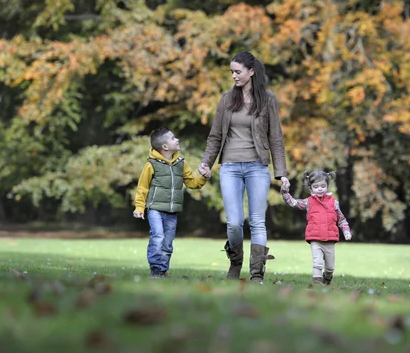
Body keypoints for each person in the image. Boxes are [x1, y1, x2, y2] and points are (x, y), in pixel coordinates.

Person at [199, 51, 290, 283]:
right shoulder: (226, 100)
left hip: (257, 167)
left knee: (257, 221)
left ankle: (257, 273)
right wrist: (206, 163)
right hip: (229, 167)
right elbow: (215, 136)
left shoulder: (268, 100)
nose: (233, 76)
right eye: (231, 72)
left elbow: (276, 138)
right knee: (234, 222)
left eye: (237, 71)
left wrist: (282, 174)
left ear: (251, 72)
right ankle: (235, 263)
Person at [134, 127, 209, 278]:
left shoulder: (181, 163)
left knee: (168, 243)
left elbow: (192, 183)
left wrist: (204, 177)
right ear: (165, 147)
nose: (177, 140)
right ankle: (155, 269)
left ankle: (163, 270)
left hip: (172, 211)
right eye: (173, 138)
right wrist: (139, 207)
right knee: (158, 236)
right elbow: (142, 187)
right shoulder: (151, 164)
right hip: (155, 209)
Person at [280, 170, 352, 285]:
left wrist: (346, 231)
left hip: (330, 240)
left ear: (327, 186)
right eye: (316, 186)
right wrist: (285, 192)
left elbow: (341, 219)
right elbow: (293, 203)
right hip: (315, 239)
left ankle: (327, 278)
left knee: (330, 267)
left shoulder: (334, 203)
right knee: (317, 262)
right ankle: (317, 281)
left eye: (323, 186)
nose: (320, 189)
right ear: (310, 188)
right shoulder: (308, 202)